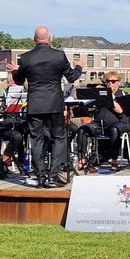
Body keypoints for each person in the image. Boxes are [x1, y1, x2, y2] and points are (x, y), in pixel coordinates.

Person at [9, 26, 83, 188]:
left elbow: (19, 81)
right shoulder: (58, 56)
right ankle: (53, 176)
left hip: (35, 105)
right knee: (59, 138)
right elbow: (71, 77)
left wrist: (16, 71)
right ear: (49, 38)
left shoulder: (26, 58)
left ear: (33, 39)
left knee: (37, 140)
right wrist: (79, 67)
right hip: (55, 104)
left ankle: (40, 176)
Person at [83, 71, 130, 172]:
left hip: (119, 124)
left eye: (113, 81)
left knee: (114, 129)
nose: (110, 84)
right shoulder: (101, 94)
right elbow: (90, 109)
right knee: (83, 129)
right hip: (100, 125)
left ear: (118, 82)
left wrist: (108, 96)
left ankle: (114, 161)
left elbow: (120, 111)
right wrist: (95, 95)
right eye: (107, 81)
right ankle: (82, 159)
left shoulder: (122, 94)